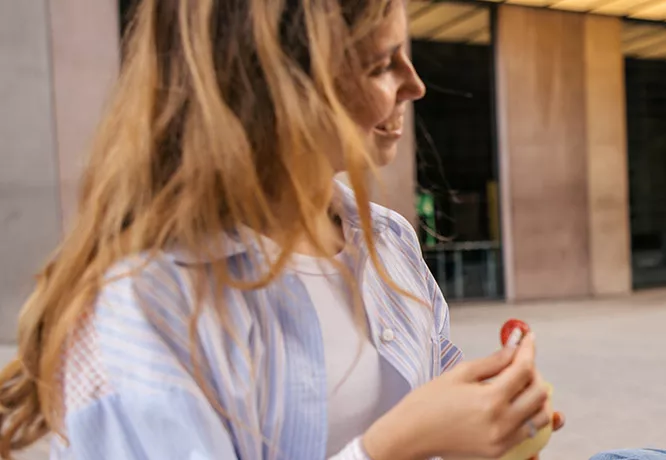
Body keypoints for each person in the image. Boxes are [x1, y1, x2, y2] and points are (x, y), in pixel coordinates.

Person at [0, 0, 561, 458]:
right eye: (381, 64)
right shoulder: (144, 307)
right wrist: (390, 446)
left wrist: (494, 424)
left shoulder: (388, 241)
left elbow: (443, 398)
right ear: (272, 88)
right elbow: (408, 435)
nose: (414, 86)